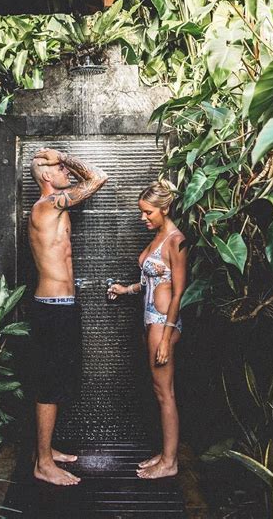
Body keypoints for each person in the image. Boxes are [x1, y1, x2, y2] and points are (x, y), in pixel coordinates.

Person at [28, 147, 108, 486]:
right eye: (61, 169)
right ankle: (43, 464)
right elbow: (97, 178)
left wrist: (60, 159)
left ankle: (45, 451)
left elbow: (86, 179)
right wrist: (60, 154)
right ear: (47, 176)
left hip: (61, 306)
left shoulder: (55, 206)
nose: (68, 173)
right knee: (49, 383)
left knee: (58, 379)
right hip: (52, 308)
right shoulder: (47, 206)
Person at [108, 180, 186, 479]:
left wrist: (166, 338)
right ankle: (165, 455)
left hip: (162, 321)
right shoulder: (158, 237)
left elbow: (178, 291)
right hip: (150, 318)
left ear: (165, 209)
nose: (143, 218)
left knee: (164, 393)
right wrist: (126, 289)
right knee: (158, 390)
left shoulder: (177, 240)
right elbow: (152, 281)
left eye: (148, 212)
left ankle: (170, 463)